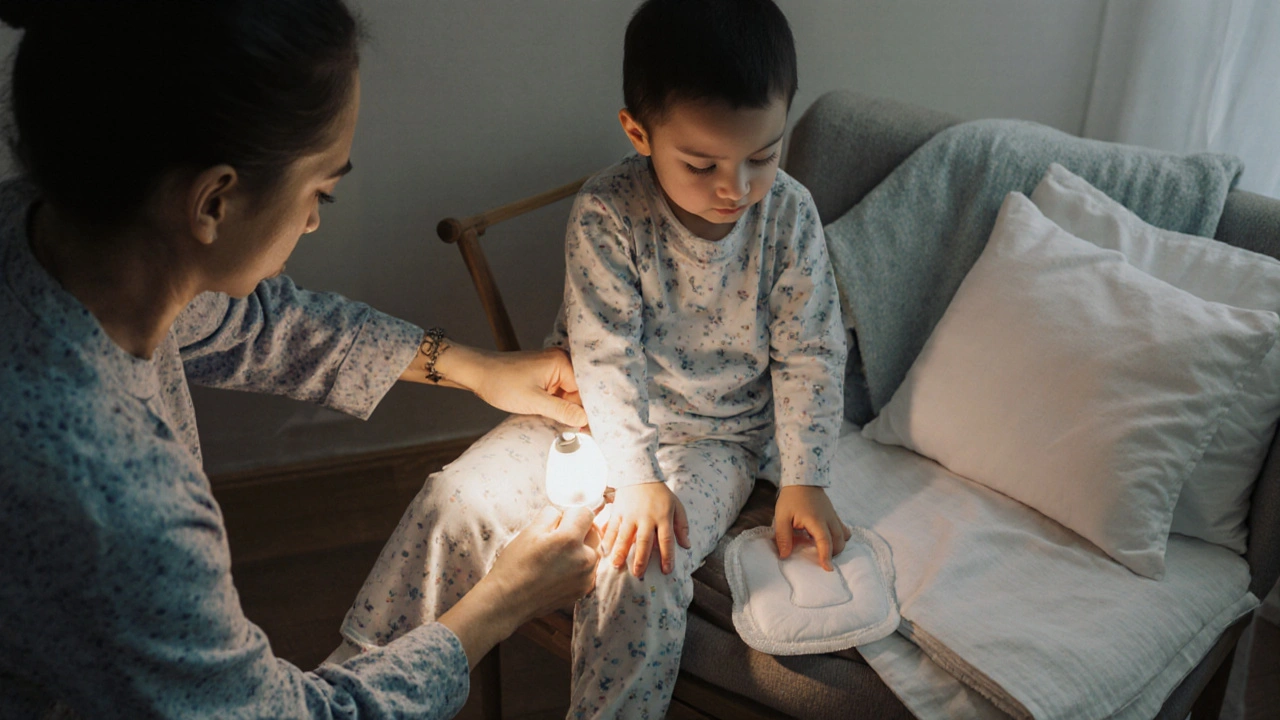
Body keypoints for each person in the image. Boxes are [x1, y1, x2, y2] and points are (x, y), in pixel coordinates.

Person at [0, 2, 601, 719]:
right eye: (320, 190)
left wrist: (473, 365)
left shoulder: (54, 226)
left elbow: (258, 324)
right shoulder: (115, 496)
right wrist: (506, 599)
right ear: (214, 200)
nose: (315, 220)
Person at [338, 1, 851, 717]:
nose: (736, 186)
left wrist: (805, 477)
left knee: (639, 566)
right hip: (582, 415)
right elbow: (606, 354)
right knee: (452, 500)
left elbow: (813, 352)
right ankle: (359, 683)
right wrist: (634, 474)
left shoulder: (788, 218)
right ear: (638, 133)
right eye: (702, 164)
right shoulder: (609, 212)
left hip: (713, 441)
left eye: (762, 155)